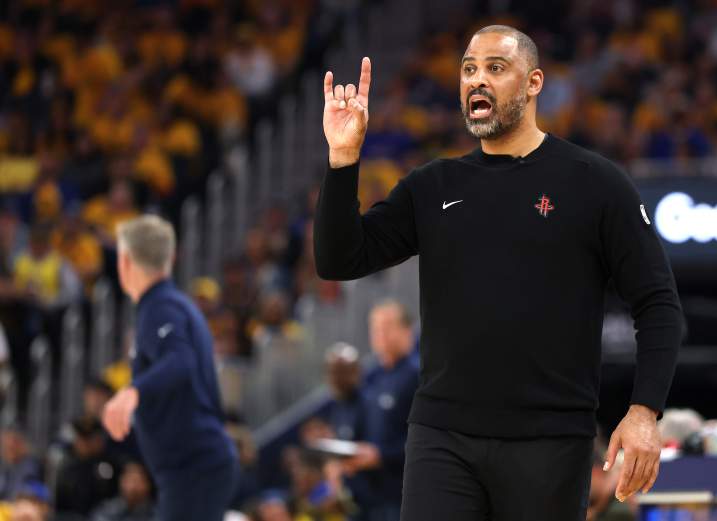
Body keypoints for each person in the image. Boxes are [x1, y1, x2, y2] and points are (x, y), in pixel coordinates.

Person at [314, 24, 683, 521]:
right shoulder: (432, 185)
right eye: (468, 69)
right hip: (442, 436)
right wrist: (342, 159)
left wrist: (644, 412)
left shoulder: (595, 183)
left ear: (533, 83)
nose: (476, 80)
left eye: (495, 67)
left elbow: (658, 304)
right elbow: (339, 260)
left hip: (551, 441)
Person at [101, 214, 238, 521]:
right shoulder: (172, 305)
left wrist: (132, 392)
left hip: (193, 468)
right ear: (171, 258)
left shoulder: (160, 307)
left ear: (124, 262)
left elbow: (181, 361)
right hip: (192, 468)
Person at [340, 300, 418, 521]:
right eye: (375, 327)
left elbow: (426, 440)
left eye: (387, 326)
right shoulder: (373, 378)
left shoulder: (418, 376)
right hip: (369, 495)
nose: (379, 333)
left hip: (402, 496)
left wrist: (381, 455)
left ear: (406, 330)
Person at [90, 461, 155, 521]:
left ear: (148, 485)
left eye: (137, 481)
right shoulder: (109, 508)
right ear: (121, 482)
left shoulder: (156, 512)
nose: (132, 487)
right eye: (129, 481)